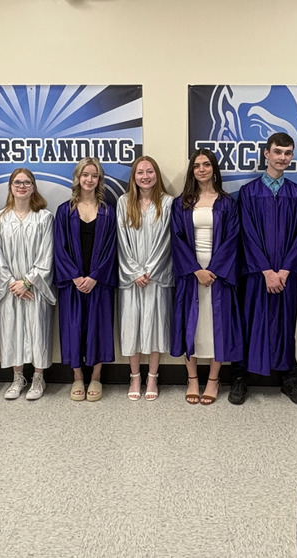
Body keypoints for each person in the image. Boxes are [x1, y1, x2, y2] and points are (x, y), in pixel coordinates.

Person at [231, 132, 297, 406]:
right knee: (248, 321)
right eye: (278, 151)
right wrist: (266, 271)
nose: (282, 157)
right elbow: (246, 235)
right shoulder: (249, 193)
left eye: (288, 153)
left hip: (285, 276)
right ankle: (240, 377)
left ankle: (289, 378)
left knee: (286, 324)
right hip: (257, 275)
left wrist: (286, 270)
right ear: (266, 154)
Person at [172, 149, 242, 405]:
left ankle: (213, 380)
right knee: (190, 323)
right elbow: (177, 239)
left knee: (217, 327)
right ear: (192, 170)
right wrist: (195, 269)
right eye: (197, 165)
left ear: (214, 168)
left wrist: (213, 270)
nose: (201, 169)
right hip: (191, 272)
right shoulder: (181, 203)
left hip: (218, 273)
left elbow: (233, 239)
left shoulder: (226, 203)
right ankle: (192, 379)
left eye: (206, 164)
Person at [54, 158, 118, 402]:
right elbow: (59, 248)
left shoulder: (107, 211)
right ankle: (78, 377)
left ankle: (96, 377)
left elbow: (112, 248)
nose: (89, 179)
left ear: (99, 179)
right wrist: (75, 276)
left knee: (98, 327)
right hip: (72, 282)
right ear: (77, 178)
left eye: (94, 175)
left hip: (98, 282)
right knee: (73, 328)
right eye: (85, 175)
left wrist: (95, 277)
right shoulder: (64, 211)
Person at [0, 168, 56, 401]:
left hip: (35, 287)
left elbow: (47, 255)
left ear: (33, 187)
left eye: (27, 182)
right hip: (10, 290)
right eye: (17, 182)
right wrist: (12, 283)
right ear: (10, 186)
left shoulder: (44, 218)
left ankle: (38, 377)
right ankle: (17, 378)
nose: (22, 186)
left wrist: (28, 281)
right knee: (12, 331)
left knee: (38, 330)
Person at [117, 156, 173, 401]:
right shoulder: (123, 202)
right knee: (132, 326)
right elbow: (121, 240)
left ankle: (152, 376)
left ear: (156, 174)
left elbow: (166, 242)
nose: (145, 176)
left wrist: (149, 270)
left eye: (150, 171)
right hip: (131, 278)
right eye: (140, 172)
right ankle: (134, 376)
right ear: (134, 177)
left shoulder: (168, 203)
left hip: (156, 277)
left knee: (155, 326)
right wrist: (135, 271)